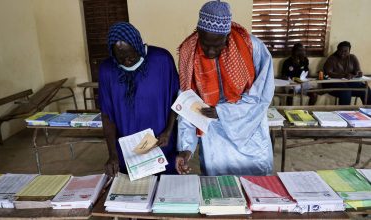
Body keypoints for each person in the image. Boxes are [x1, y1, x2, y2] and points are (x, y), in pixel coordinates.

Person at [176, 0, 274, 176]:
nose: (210, 52)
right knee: (220, 191)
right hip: (214, 138)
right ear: (198, 33)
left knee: (256, 187)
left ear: (227, 36)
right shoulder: (188, 52)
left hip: (249, 132)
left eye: (217, 45)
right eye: (206, 44)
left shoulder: (253, 47)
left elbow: (262, 96)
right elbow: (188, 101)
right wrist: (186, 147)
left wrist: (222, 111)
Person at [99, 22, 179, 176]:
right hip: (128, 153)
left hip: (161, 145)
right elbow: (107, 115)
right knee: (134, 194)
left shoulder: (161, 60)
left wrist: (168, 132)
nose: (127, 61)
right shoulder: (107, 70)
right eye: (120, 58)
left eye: (131, 56)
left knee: (165, 192)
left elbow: (176, 99)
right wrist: (113, 154)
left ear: (138, 45)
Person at [323, 41, 370, 105]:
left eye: (345, 51)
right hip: (334, 85)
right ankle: (343, 113)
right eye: (341, 50)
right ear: (337, 50)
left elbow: (358, 70)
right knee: (346, 91)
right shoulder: (332, 59)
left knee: (365, 89)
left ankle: (368, 111)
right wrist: (344, 75)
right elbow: (328, 73)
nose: (343, 53)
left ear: (349, 51)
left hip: (349, 83)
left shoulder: (353, 58)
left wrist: (359, 73)